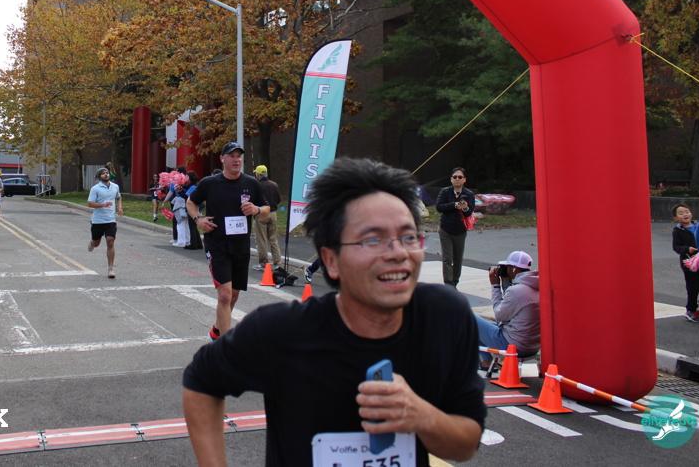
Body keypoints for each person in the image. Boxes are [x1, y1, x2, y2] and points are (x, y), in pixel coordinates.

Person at [182, 157, 485, 466]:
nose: (398, 254)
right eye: (373, 240)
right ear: (331, 260)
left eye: (408, 237)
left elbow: (466, 444)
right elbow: (201, 380)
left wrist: (421, 415)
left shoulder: (444, 317)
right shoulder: (282, 331)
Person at [186, 142, 269, 340]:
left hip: (240, 247)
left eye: (239, 156)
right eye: (231, 156)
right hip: (217, 245)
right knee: (224, 295)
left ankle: (216, 331)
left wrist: (256, 209)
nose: (236, 160)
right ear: (222, 159)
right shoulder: (210, 183)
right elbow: (191, 202)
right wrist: (198, 220)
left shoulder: (251, 183)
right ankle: (224, 347)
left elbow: (266, 210)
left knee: (233, 296)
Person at [474, 251, 540, 362]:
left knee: (470, 319)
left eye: (507, 267)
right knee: (484, 327)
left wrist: (495, 286)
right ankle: (488, 362)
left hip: (513, 346)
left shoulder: (517, 291)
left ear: (514, 269)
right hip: (532, 346)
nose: (505, 270)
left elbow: (500, 316)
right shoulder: (535, 286)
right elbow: (509, 309)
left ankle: (487, 361)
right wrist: (505, 283)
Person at [435, 167, 475, 286]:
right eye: (455, 177)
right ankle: (448, 284)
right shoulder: (445, 192)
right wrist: (454, 205)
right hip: (445, 230)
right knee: (447, 259)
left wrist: (465, 208)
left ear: (464, 180)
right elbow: (439, 207)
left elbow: (469, 212)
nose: (457, 179)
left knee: (458, 259)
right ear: (451, 179)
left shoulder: (468, 194)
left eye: (460, 177)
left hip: (460, 231)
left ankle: (454, 282)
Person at [671, 203, 699, 322]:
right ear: (676, 218)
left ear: (691, 214)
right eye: (681, 213)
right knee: (693, 288)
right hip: (689, 264)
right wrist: (687, 249)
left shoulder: (698, 226)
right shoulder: (678, 231)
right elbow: (676, 247)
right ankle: (691, 310)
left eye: (687, 212)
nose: (685, 214)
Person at [88, 167, 123, 278]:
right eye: (103, 173)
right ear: (99, 176)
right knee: (96, 243)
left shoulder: (115, 187)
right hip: (98, 220)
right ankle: (92, 242)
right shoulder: (95, 189)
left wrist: (120, 207)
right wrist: (103, 205)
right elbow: (90, 203)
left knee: (110, 241)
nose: (106, 174)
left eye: (107, 173)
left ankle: (110, 269)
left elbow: (118, 197)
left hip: (110, 220)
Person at [252, 165, 283, 272]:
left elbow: (253, 200)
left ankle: (263, 263)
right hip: (273, 213)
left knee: (261, 239)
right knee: (273, 239)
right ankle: (277, 263)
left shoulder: (257, 185)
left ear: (258, 175)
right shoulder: (274, 185)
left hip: (261, 213)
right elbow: (279, 199)